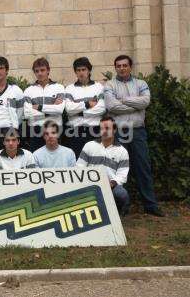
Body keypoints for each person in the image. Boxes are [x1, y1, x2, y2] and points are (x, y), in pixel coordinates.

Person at [104, 55, 163, 217]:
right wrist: (134, 105)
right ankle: (123, 206)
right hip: (120, 132)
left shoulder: (141, 83)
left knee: (143, 167)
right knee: (120, 169)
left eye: (124, 65)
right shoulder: (109, 84)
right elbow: (111, 106)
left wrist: (123, 100)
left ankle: (150, 205)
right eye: (118, 66)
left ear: (130, 67)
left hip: (137, 131)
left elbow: (145, 102)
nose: (121, 68)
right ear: (115, 68)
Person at [76, 116, 130, 216]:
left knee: (122, 194)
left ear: (114, 130)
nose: (104, 131)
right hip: (89, 184)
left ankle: (118, 215)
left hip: (111, 186)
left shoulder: (122, 151)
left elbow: (122, 175)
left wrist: (112, 183)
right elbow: (79, 167)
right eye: (101, 128)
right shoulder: (89, 145)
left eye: (107, 128)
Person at [64, 57, 106, 158]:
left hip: (95, 130)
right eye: (78, 70)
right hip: (76, 132)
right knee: (79, 162)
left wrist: (80, 113)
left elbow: (102, 108)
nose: (81, 73)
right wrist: (87, 104)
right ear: (75, 72)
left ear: (89, 70)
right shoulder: (70, 88)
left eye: (84, 69)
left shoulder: (99, 87)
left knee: (96, 161)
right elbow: (69, 109)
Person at [23, 57, 65, 152]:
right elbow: (27, 113)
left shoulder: (59, 88)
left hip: (55, 129)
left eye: (42, 70)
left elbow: (59, 110)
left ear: (48, 70)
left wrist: (39, 107)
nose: (40, 73)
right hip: (35, 131)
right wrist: (50, 111)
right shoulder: (28, 91)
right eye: (37, 71)